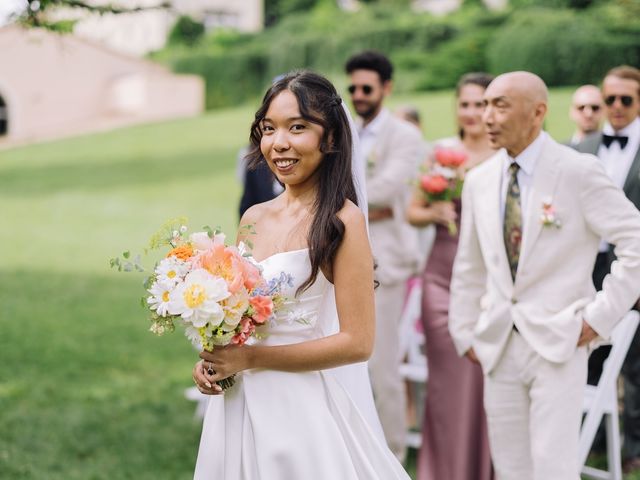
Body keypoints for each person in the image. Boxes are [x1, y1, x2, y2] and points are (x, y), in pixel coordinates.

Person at [191, 70, 410, 479]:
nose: (279, 143)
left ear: (329, 138)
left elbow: (357, 342)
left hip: (298, 409)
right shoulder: (254, 216)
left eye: (298, 128)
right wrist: (213, 360)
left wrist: (251, 357)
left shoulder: (342, 222)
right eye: (269, 129)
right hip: (237, 401)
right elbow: (239, 317)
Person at [449, 71, 640, 480]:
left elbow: (635, 242)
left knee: (553, 468)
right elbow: (470, 264)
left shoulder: (577, 170)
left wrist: (599, 317)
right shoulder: (479, 180)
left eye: (500, 105)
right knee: (511, 467)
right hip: (498, 341)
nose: (487, 115)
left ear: (537, 112)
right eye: (484, 104)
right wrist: (463, 329)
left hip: (560, 339)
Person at [406, 72, 495, 480]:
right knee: (447, 383)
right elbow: (413, 210)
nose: (473, 112)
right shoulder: (441, 153)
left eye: (481, 104)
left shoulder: (504, 152)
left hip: (491, 282)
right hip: (441, 278)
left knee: (485, 383)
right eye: (466, 104)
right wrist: (436, 212)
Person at [345, 50, 424, 462]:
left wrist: (340, 205)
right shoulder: (343, 132)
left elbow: (388, 189)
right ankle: (354, 453)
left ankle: (391, 455)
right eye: (353, 87)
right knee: (345, 367)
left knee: (383, 367)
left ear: (386, 88)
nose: (358, 95)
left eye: (367, 88)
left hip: (387, 266)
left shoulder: (405, 136)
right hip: (342, 263)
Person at [574, 65, 640, 473]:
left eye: (625, 100)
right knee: (588, 349)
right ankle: (590, 436)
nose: (615, 107)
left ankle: (633, 443)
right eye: (608, 99)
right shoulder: (582, 148)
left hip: (633, 262)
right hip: (587, 264)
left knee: (634, 360)